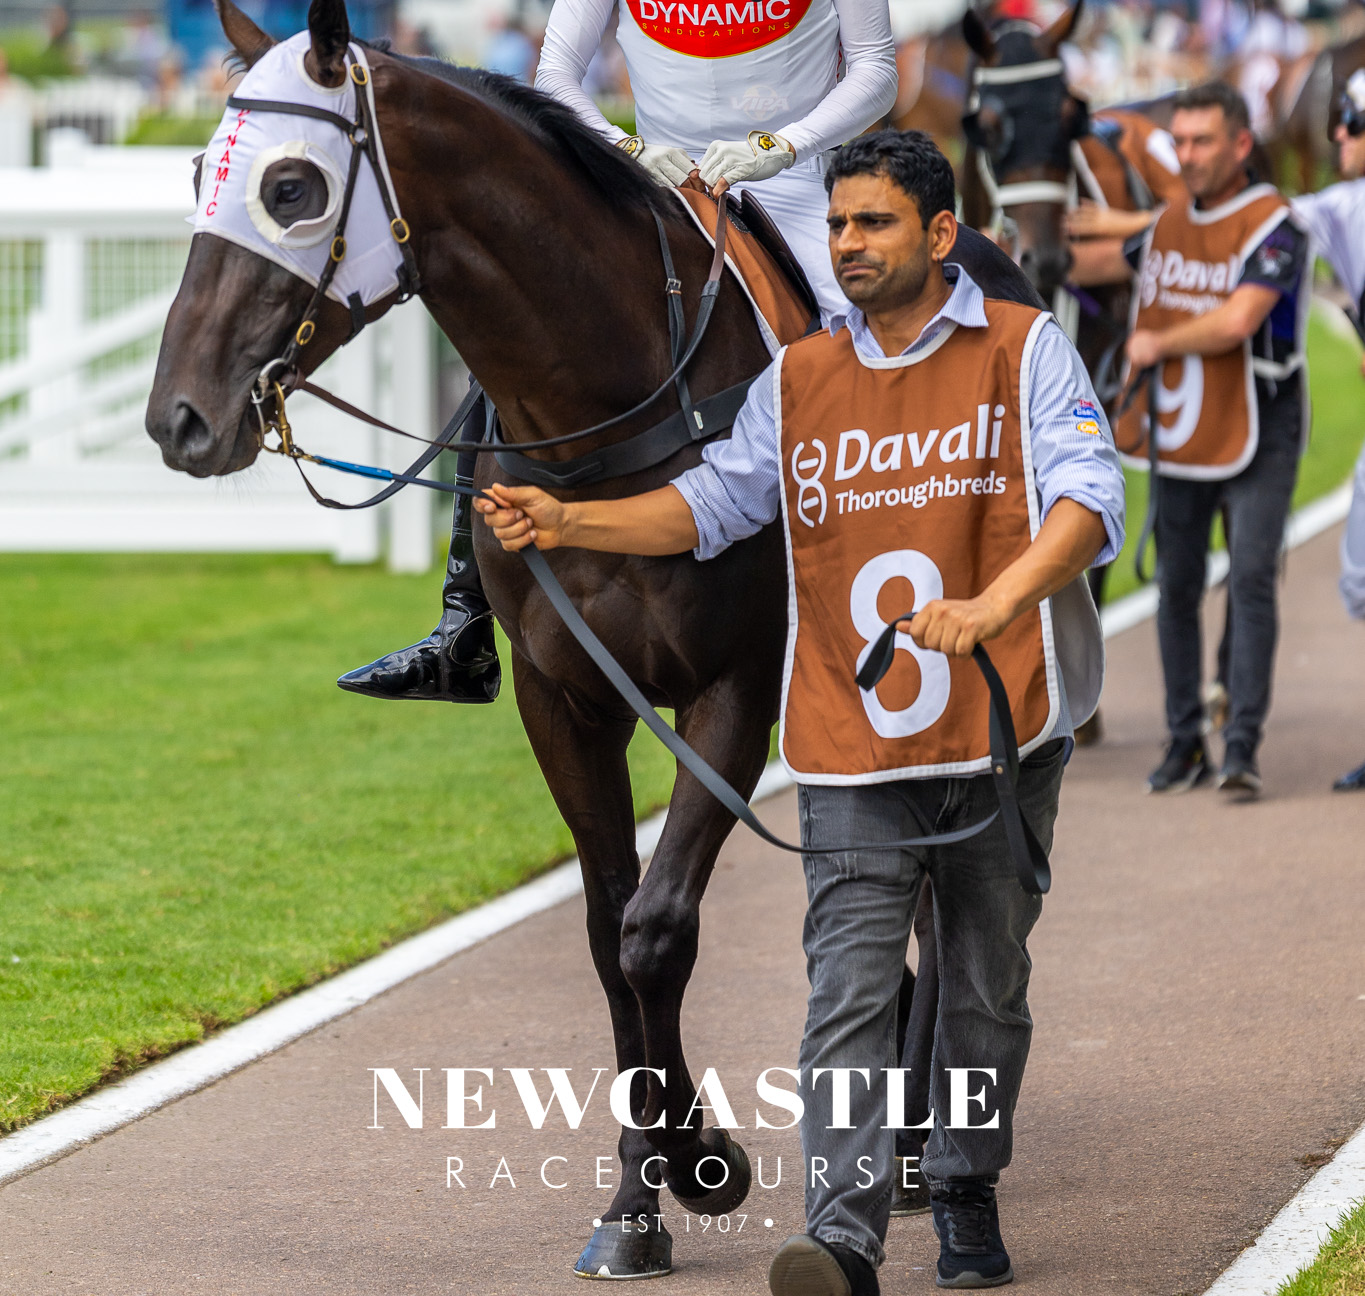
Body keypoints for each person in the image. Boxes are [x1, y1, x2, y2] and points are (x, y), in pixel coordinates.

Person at [476, 130, 1122, 1296]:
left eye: (872, 223)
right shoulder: (804, 376)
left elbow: (1086, 497)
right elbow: (710, 502)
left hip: (999, 726)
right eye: (837, 226)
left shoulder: (1028, 349)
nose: (847, 245)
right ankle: (842, 1236)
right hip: (851, 741)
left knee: (983, 985)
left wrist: (996, 599)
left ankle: (967, 1186)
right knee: (849, 991)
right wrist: (568, 525)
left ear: (938, 233)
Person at [340, 0, 899, 707]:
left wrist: (779, 146)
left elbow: (877, 72)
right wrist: (627, 146)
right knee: (522, 353)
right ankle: (465, 615)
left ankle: (870, 591)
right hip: (657, 179)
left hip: (788, 187)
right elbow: (554, 74)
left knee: (861, 348)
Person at [1106, 82, 1309, 797]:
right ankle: (1183, 739)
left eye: (1202, 141)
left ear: (1240, 144)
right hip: (1182, 433)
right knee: (1175, 584)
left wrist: (1154, 342)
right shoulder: (1163, 224)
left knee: (1250, 578)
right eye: (1179, 141)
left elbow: (1235, 321)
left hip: (1263, 424)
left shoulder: (1275, 225)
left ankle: (1241, 748)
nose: (1186, 155)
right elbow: (1106, 259)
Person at [1291, 68, 1365, 790]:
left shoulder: (1346, 207)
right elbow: (1257, 224)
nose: (1337, 133)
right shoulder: (1345, 206)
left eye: (1348, 119)